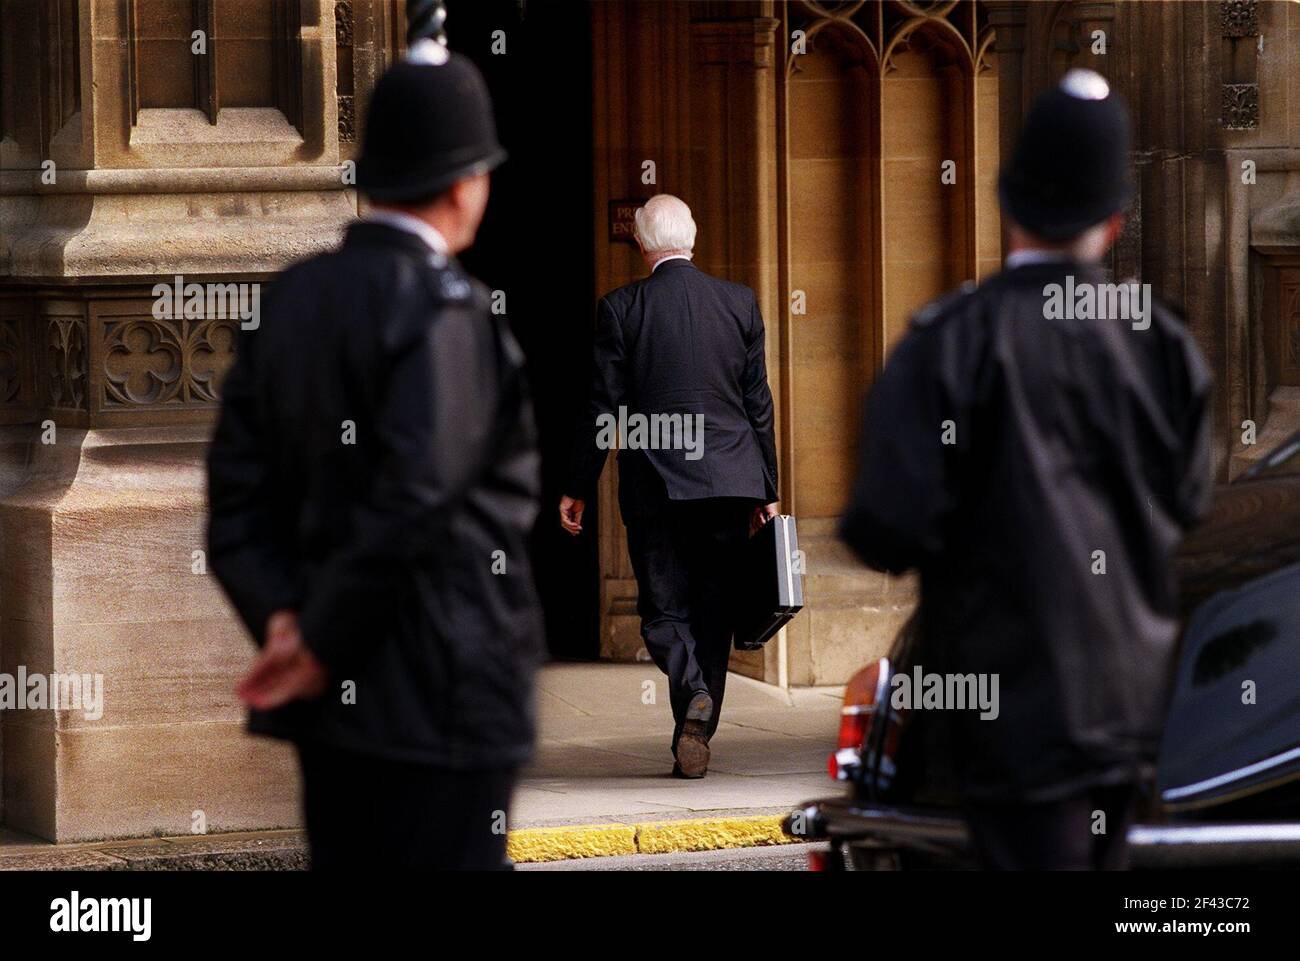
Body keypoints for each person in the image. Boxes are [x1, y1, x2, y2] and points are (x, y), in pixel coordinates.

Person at [839, 69, 1212, 870]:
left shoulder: (949, 341)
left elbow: (883, 525)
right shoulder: (1163, 345)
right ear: (1113, 221)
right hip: (1130, 709)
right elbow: (1190, 502)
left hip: (1001, 715)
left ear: (1006, 200)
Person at [206, 43, 543, 870]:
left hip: (332, 710)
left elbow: (235, 507)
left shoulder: (289, 300)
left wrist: (285, 622)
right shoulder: (447, 311)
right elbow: (416, 497)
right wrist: (317, 642)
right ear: (467, 183)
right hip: (444, 692)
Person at [560, 195, 780, 779]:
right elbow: (758, 403)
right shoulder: (740, 303)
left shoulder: (621, 308)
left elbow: (601, 406)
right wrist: (768, 487)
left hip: (657, 482)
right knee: (713, 613)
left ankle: (689, 694)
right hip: (732, 480)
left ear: (640, 244)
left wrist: (578, 482)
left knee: (662, 608)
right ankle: (696, 730)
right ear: (694, 235)